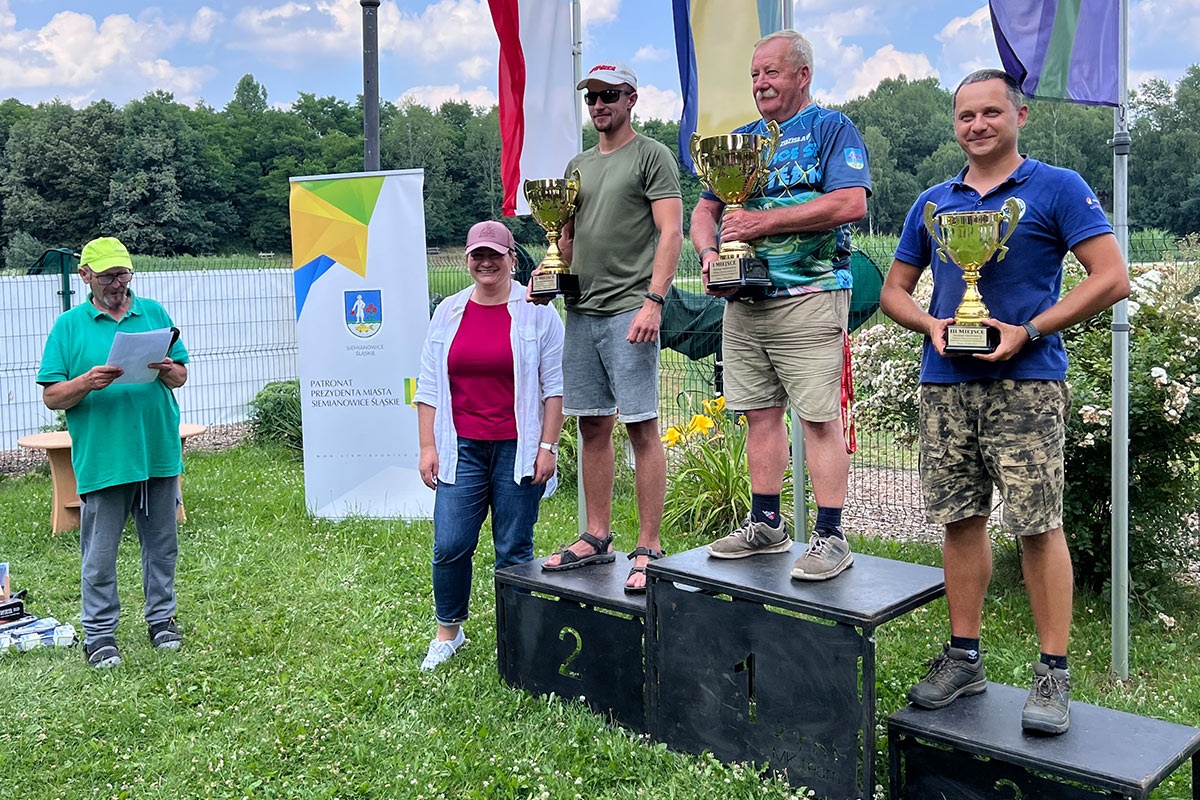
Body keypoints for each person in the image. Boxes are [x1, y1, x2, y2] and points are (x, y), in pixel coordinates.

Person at [880, 69, 1130, 734]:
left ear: (1019, 114)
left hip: (1028, 383)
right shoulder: (934, 201)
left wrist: (1032, 329)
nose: (978, 125)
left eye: (992, 112)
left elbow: (1112, 277)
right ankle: (964, 657)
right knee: (960, 520)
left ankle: (1053, 672)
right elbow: (895, 290)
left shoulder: (1058, 187)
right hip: (945, 382)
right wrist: (931, 325)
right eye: (966, 116)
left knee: (1038, 524)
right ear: (955, 124)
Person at [690, 30, 870, 580]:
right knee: (758, 415)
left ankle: (830, 535)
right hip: (744, 302)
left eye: (770, 72)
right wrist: (709, 254)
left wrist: (760, 222)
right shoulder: (739, 141)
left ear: (802, 75)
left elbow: (851, 202)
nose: (760, 83)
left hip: (810, 296)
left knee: (818, 419)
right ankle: (766, 525)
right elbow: (704, 211)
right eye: (754, 75)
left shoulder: (831, 129)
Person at [534, 61, 683, 593]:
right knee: (592, 425)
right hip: (582, 313)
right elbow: (566, 240)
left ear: (632, 99)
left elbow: (671, 234)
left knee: (640, 425)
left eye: (609, 96)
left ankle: (649, 545)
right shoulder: (577, 166)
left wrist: (653, 301)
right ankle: (597, 536)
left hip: (630, 311)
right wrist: (548, 273)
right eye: (591, 97)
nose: (598, 106)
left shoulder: (652, 156)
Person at [415, 220, 565, 671]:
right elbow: (427, 387)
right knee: (450, 542)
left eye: (494, 255)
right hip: (462, 448)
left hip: (516, 448)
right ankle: (449, 630)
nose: (486, 262)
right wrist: (427, 446)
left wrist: (548, 446)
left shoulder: (538, 310)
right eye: (478, 255)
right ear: (467, 259)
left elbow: (554, 388)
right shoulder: (448, 311)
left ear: (511, 259)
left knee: (514, 547)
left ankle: (516, 634)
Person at [37, 236, 190, 668]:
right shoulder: (69, 327)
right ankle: (100, 634)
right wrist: (86, 382)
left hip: (157, 449)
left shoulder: (154, 313)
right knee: (100, 553)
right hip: (105, 456)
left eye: (123, 274)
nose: (118, 284)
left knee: (162, 546)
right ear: (85, 276)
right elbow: (52, 396)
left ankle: (162, 620)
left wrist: (165, 370)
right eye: (107, 276)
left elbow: (180, 376)